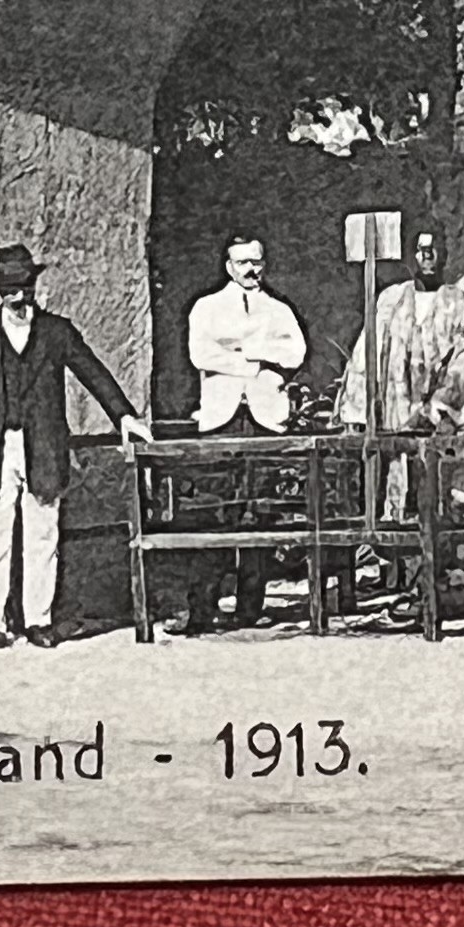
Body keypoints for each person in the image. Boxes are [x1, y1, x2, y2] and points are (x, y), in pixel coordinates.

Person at [0, 243, 148, 652]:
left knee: (43, 535)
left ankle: (39, 621)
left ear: (34, 285)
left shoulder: (57, 332)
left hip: (43, 446)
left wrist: (124, 416)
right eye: (10, 288)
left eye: (25, 286)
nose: (19, 296)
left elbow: (92, 372)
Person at [179, 235, 307, 630]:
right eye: (242, 263)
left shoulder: (279, 310)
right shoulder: (207, 308)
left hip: (265, 419)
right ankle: (203, 609)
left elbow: (295, 353)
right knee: (215, 512)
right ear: (228, 266)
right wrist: (254, 362)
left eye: (256, 261)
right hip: (221, 419)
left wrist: (244, 351)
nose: (250, 269)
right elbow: (201, 354)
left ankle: (251, 607)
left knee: (260, 512)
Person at [334, 216, 464, 436]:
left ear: (444, 254)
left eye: (433, 249)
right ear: (411, 256)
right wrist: (356, 414)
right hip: (392, 426)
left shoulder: (461, 307)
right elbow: (364, 358)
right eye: (421, 250)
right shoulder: (391, 301)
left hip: (437, 430)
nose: (427, 256)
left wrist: (437, 411)